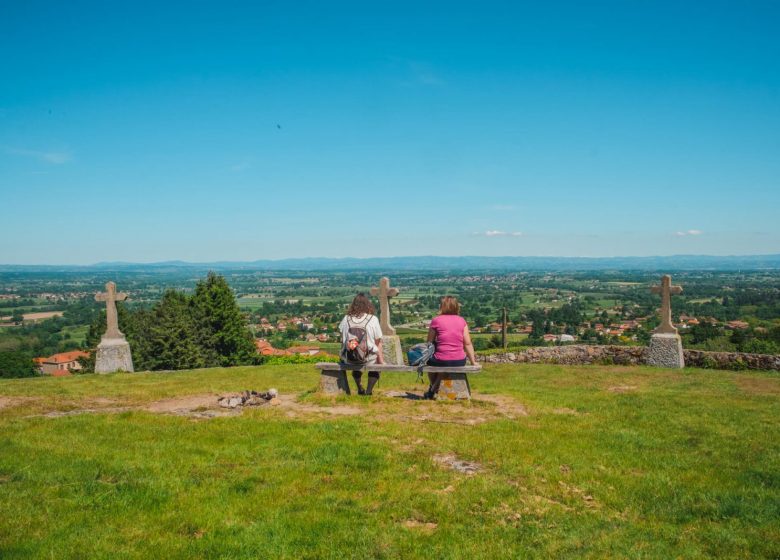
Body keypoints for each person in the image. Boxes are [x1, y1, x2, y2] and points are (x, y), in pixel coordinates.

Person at [424, 296, 477, 399]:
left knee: (431, 366)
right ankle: (433, 389)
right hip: (459, 360)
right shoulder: (462, 321)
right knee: (443, 367)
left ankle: (432, 389)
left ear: (442, 307)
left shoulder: (436, 320)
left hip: (440, 359)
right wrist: (473, 362)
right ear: (456, 307)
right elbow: (467, 343)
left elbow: (429, 342)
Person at [339, 293, 384, 395]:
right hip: (368, 358)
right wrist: (381, 361)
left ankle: (359, 387)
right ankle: (368, 391)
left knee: (356, 361)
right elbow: (378, 343)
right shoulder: (373, 319)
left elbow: (342, 340)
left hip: (349, 358)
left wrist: (343, 355)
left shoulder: (346, 319)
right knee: (376, 365)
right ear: (367, 304)